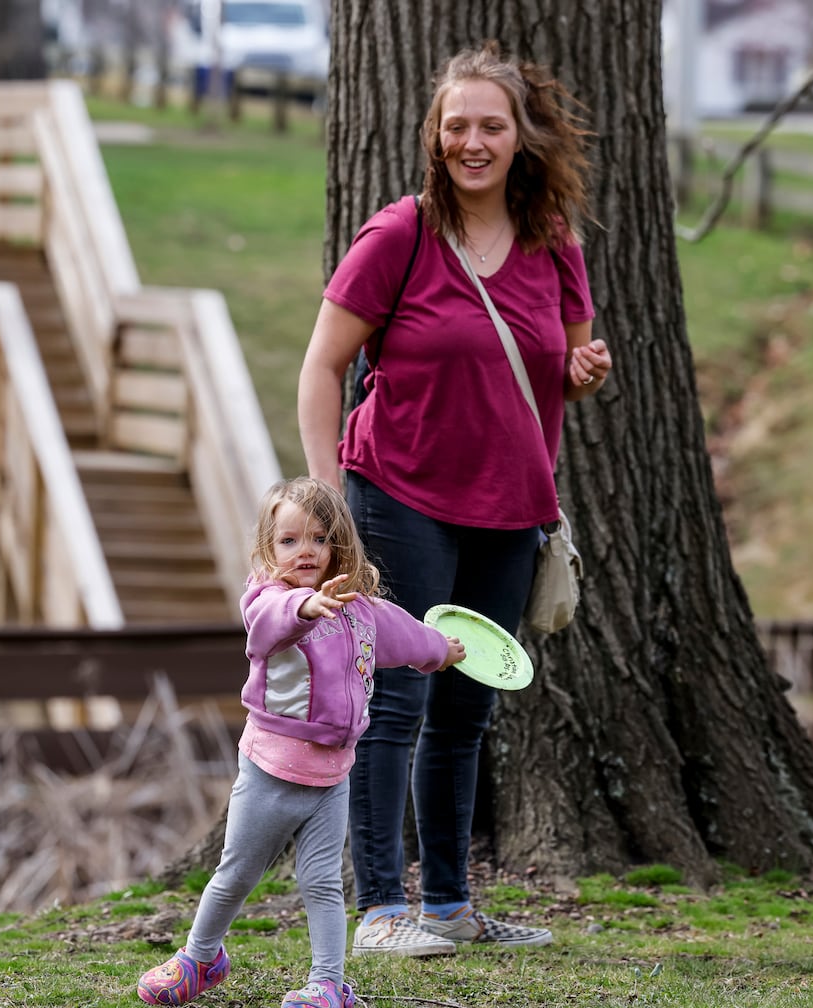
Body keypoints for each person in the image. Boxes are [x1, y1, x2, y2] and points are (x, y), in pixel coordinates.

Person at [296, 42, 615, 957]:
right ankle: (382, 910)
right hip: (399, 495)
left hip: (513, 508)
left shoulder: (555, 238)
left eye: (491, 125)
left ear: (521, 137)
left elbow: (572, 366)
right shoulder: (399, 234)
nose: (473, 141)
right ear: (433, 137)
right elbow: (322, 366)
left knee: (470, 707)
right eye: (457, 126)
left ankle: (448, 905)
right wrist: (331, 502)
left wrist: (587, 373)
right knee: (395, 700)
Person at [136, 477, 464, 1008]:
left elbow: (405, 636)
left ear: (339, 545)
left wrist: (442, 651)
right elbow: (264, 627)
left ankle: (328, 985)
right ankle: (200, 958)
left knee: (321, 883)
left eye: (317, 538)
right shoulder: (269, 601)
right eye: (288, 541)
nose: (304, 551)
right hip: (271, 771)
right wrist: (305, 606)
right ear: (268, 549)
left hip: (331, 779)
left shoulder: (359, 609)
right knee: (237, 871)